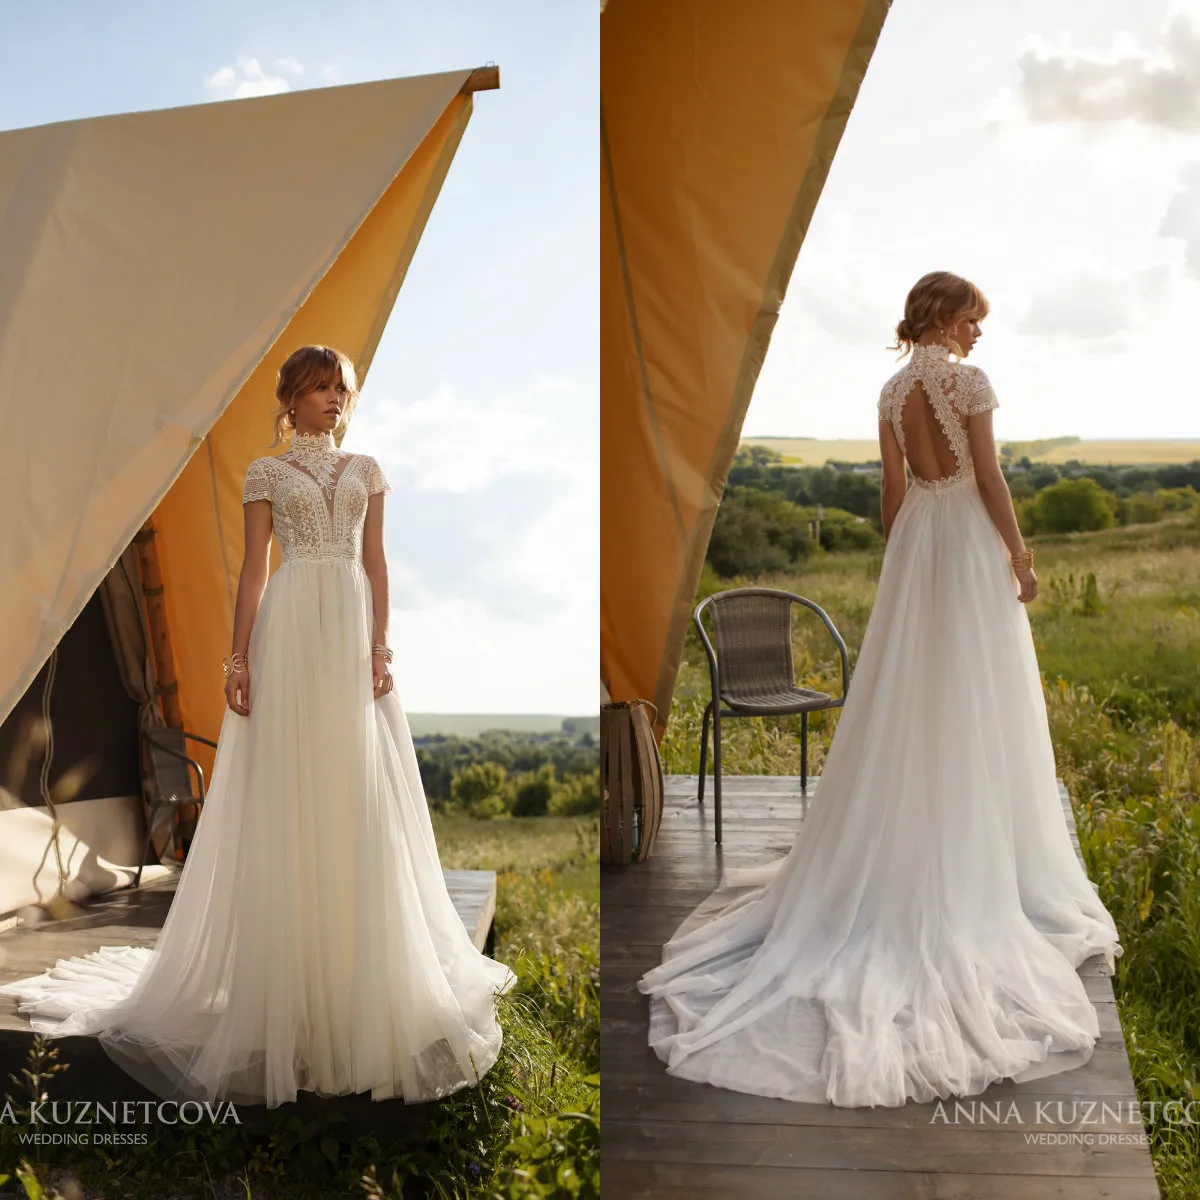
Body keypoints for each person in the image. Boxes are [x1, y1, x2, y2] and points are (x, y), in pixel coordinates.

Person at [637, 272, 1123, 1108]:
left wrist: (904, 562)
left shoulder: (893, 388)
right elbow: (993, 479)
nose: (978, 334)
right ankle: (978, 852)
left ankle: (930, 824)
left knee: (915, 693)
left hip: (919, 548)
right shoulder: (966, 383)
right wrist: (1019, 556)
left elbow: (893, 491)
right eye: (973, 317)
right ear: (942, 313)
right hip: (966, 538)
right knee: (978, 691)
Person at [0, 344, 515, 1108]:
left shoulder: (368, 470)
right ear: (292, 399)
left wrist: (380, 647)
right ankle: (291, 982)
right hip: (290, 632)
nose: (335, 398)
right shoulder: (265, 474)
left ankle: (353, 975)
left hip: (347, 633)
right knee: (291, 794)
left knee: (355, 794)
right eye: (320, 387)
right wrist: (237, 662)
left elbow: (377, 565)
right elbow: (252, 572)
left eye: (341, 386)